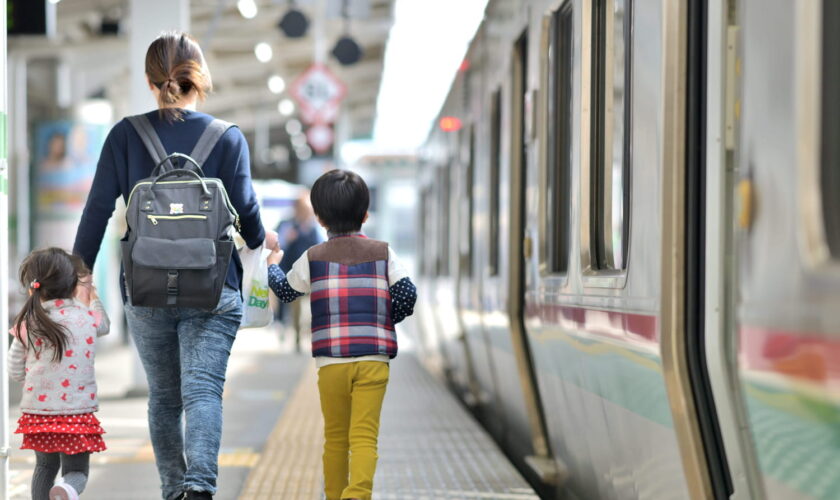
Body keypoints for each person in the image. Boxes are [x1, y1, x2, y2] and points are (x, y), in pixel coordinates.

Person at [72, 32, 277, 500]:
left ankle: (172, 491)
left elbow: (97, 210)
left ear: (149, 80)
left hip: (145, 288)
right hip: (212, 286)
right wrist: (262, 241)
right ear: (199, 79)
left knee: (164, 399)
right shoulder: (227, 137)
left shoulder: (125, 135)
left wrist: (81, 273)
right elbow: (246, 211)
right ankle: (199, 488)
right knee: (203, 392)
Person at [266, 169, 417, 500]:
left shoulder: (313, 257)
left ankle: (335, 496)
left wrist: (273, 263)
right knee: (364, 436)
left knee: (336, 437)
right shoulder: (384, 252)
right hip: (374, 360)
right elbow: (408, 294)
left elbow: (285, 291)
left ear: (319, 218)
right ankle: (357, 495)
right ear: (365, 215)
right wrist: (385, 321)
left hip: (331, 362)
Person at [8, 248, 110, 500]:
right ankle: (67, 490)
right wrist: (92, 295)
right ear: (74, 283)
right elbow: (105, 326)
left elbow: (14, 370)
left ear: (33, 286)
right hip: (77, 415)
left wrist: (35, 381)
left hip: (39, 415)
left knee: (44, 467)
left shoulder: (28, 321)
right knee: (76, 472)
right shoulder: (87, 317)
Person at [274, 191, 323, 351]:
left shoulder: (314, 227)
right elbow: (275, 245)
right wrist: (286, 239)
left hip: (310, 275)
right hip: (290, 274)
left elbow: (322, 247)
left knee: (308, 309)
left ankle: (305, 334)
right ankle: (294, 336)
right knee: (293, 307)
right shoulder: (286, 224)